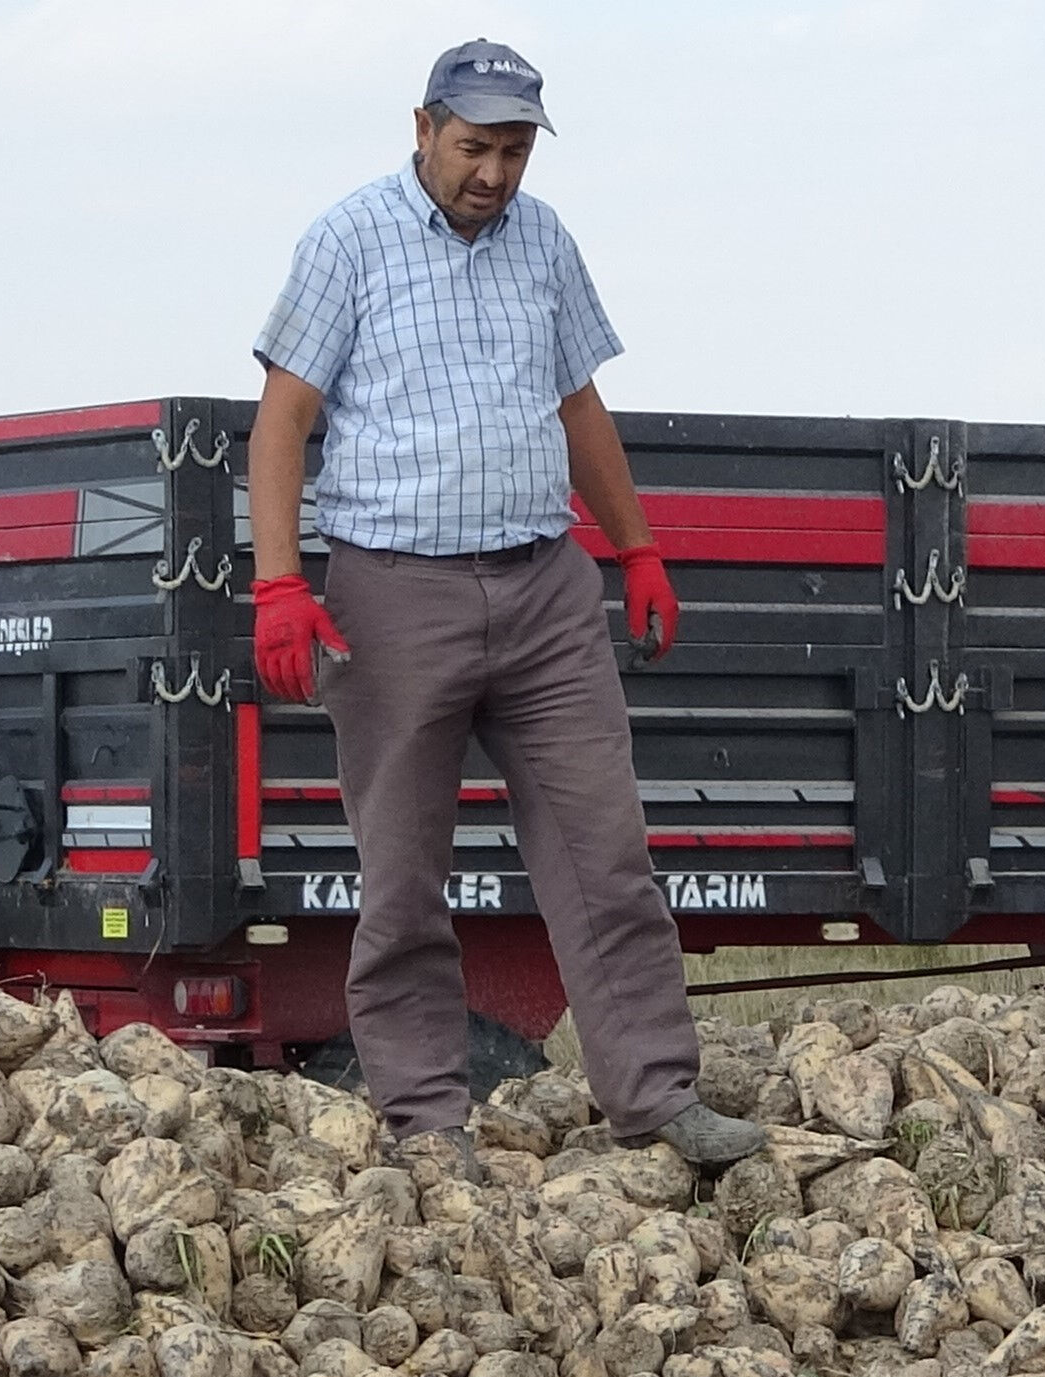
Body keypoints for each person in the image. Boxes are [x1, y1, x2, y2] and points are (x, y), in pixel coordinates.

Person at [244, 37, 765, 1177]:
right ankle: (428, 1120)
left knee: (606, 850)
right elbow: (282, 418)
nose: (494, 173)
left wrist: (637, 549)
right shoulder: (349, 240)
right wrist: (279, 583)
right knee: (403, 875)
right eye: (474, 146)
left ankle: (657, 1097)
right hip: (394, 595)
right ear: (421, 128)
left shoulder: (545, 242)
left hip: (544, 591)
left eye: (514, 149)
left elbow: (578, 401)